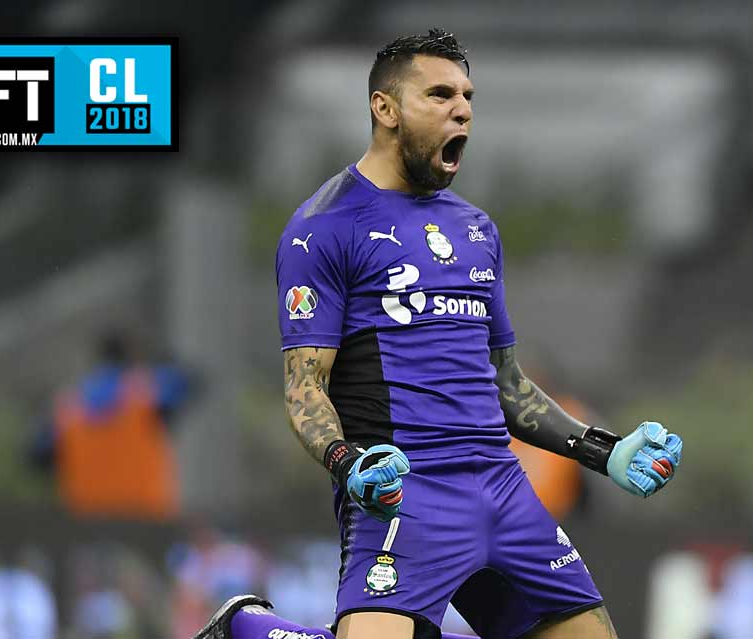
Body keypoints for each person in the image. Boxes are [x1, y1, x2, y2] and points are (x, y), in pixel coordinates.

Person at [200, 29, 683, 639]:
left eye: (468, 96)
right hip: (404, 492)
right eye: (439, 94)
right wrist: (349, 465)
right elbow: (303, 389)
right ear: (385, 109)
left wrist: (604, 450)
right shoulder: (322, 228)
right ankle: (250, 629)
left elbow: (506, 383)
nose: (463, 109)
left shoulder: (477, 228)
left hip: (502, 490)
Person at [30, 330, 191, 521]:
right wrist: (162, 363)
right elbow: (190, 382)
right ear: (132, 359)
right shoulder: (148, 394)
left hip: (86, 528)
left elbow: (37, 456)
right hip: (147, 524)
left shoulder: (71, 406)